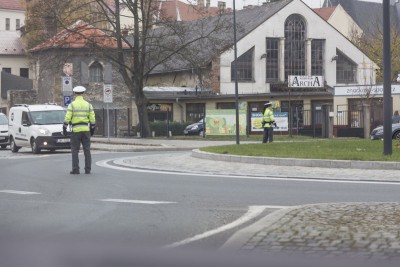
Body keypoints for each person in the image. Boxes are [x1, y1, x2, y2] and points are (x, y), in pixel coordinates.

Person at [63, 86, 96, 174]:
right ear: (83, 93)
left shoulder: (72, 105)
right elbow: (92, 118)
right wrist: (92, 128)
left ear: (74, 93)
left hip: (76, 130)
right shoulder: (88, 105)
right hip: (86, 130)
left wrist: (65, 127)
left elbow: (68, 117)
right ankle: (88, 169)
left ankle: (75, 169)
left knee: (74, 150)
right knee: (87, 150)